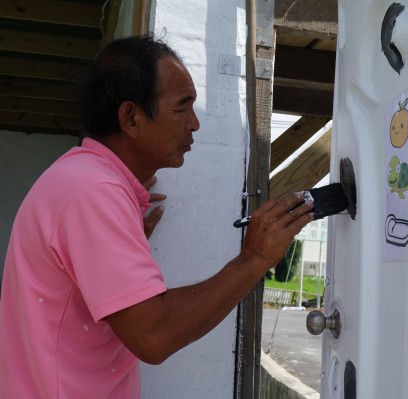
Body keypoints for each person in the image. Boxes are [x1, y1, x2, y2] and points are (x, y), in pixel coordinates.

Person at [0, 35, 314, 398]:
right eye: (182, 108)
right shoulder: (93, 191)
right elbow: (155, 335)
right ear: (131, 118)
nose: (194, 124)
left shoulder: (87, 180)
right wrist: (256, 257)